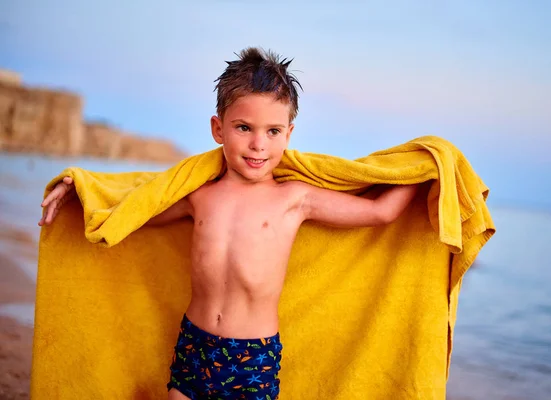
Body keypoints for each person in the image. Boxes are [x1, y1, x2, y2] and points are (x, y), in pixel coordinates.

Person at [38, 47, 418, 400]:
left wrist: (424, 167)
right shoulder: (198, 195)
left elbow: (379, 213)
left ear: (288, 135)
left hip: (253, 357)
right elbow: (135, 213)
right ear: (218, 130)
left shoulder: (295, 199)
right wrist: (82, 191)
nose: (258, 144)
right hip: (194, 343)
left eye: (272, 131)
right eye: (243, 128)